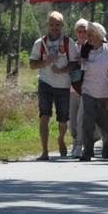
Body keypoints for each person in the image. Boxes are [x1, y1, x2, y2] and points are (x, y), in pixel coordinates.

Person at [29, 11, 79, 161]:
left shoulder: (68, 42)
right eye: (52, 24)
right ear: (47, 25)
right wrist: (44, 62)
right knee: (44, 116)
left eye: (57, 25)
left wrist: (61, 71)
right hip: (45, 83)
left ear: (62, 25)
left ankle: (61, 138)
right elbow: (32, 64)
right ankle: (45, 151)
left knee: (63, 119)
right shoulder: (40, 43)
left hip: (63, 85)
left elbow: (74, 63)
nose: (54, 27)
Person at [79, 22, 108, 160]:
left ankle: (107, 142)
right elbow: (81, 67)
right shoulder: (85, 49)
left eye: (91, 33)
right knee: (87, 122)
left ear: (98, 35)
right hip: (88, 90)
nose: (88, 36)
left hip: (104, 92)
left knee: (104, 123)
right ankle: (87, 151)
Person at [69, 18, 89, 158]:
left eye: (84, 31)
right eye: (79, 31)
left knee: (82, 116)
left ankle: (80, 143)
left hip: (87, 87)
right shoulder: (72, 47)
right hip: (72, 87)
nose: (82, 34)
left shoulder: (92, 48)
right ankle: (75, 138)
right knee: (73, 117)